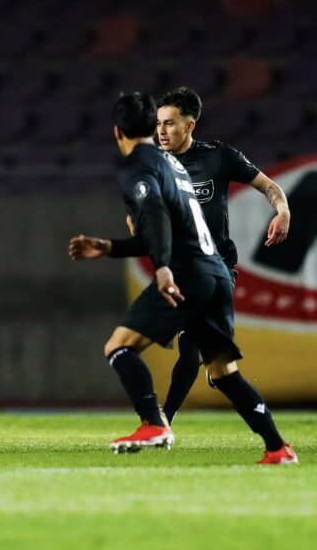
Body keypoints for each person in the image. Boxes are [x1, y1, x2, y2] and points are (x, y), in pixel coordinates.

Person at [68, 92, 296, 464]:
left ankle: (155, 423)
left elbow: (155, 215)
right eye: (159, 123)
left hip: (187, 270)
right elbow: (152, 228)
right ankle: (277, 448)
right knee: (223, 373)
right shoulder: (171, 164)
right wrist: (110, 246)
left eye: (170, 122)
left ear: (116, 132)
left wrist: (160, 268)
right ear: (150, 126)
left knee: (119, 347)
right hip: (215, 273)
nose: (163, 129)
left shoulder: (143, 165)